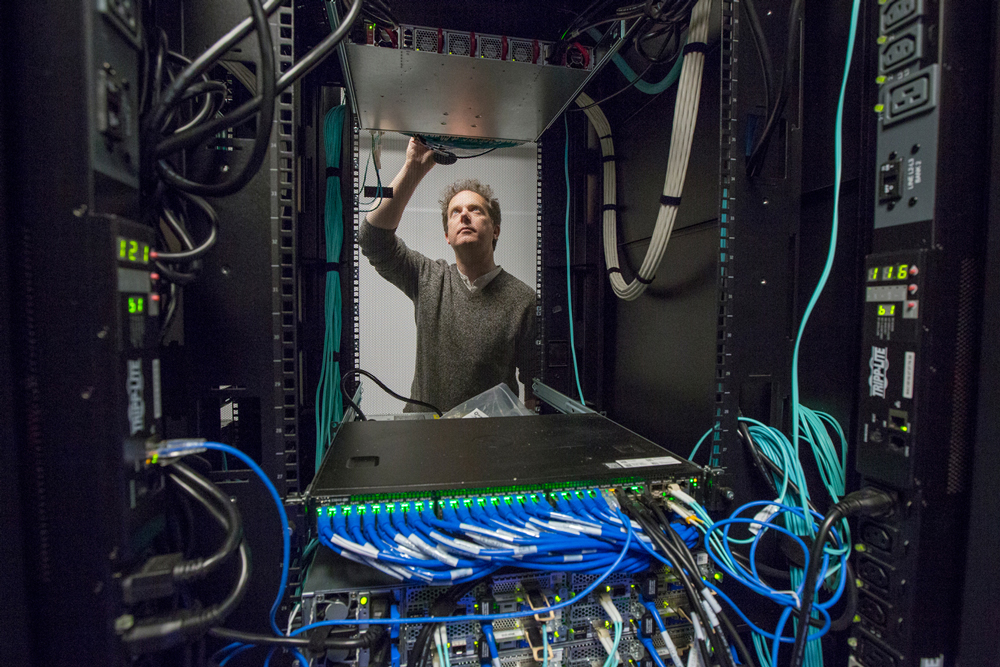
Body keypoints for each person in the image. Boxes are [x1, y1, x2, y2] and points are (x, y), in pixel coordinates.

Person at [357, 137, 538, 413]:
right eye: (455, 212)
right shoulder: (428, 277)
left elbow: (535, 389)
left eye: (475, 210)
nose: (464, 215)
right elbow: (372, 239)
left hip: (489, 443)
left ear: (496, 230)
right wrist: (413, 167)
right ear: (447, 236)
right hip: (424, 441)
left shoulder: (523, 300)